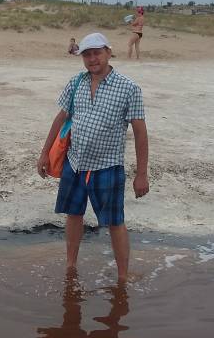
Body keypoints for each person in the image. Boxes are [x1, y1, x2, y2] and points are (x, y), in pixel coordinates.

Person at [37, 32, 149, 283]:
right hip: (74, 163)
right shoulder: (76, 82)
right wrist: (44, 153)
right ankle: (70, 267)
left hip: (107, 167)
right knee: (73, 214)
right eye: (87, 55)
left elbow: (140, 133)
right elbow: (61, 118)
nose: (92, 59)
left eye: (97, 53)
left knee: (115, 222)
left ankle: (122, 277)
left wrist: (141, 174)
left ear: (108, 52)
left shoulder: (128, 88)